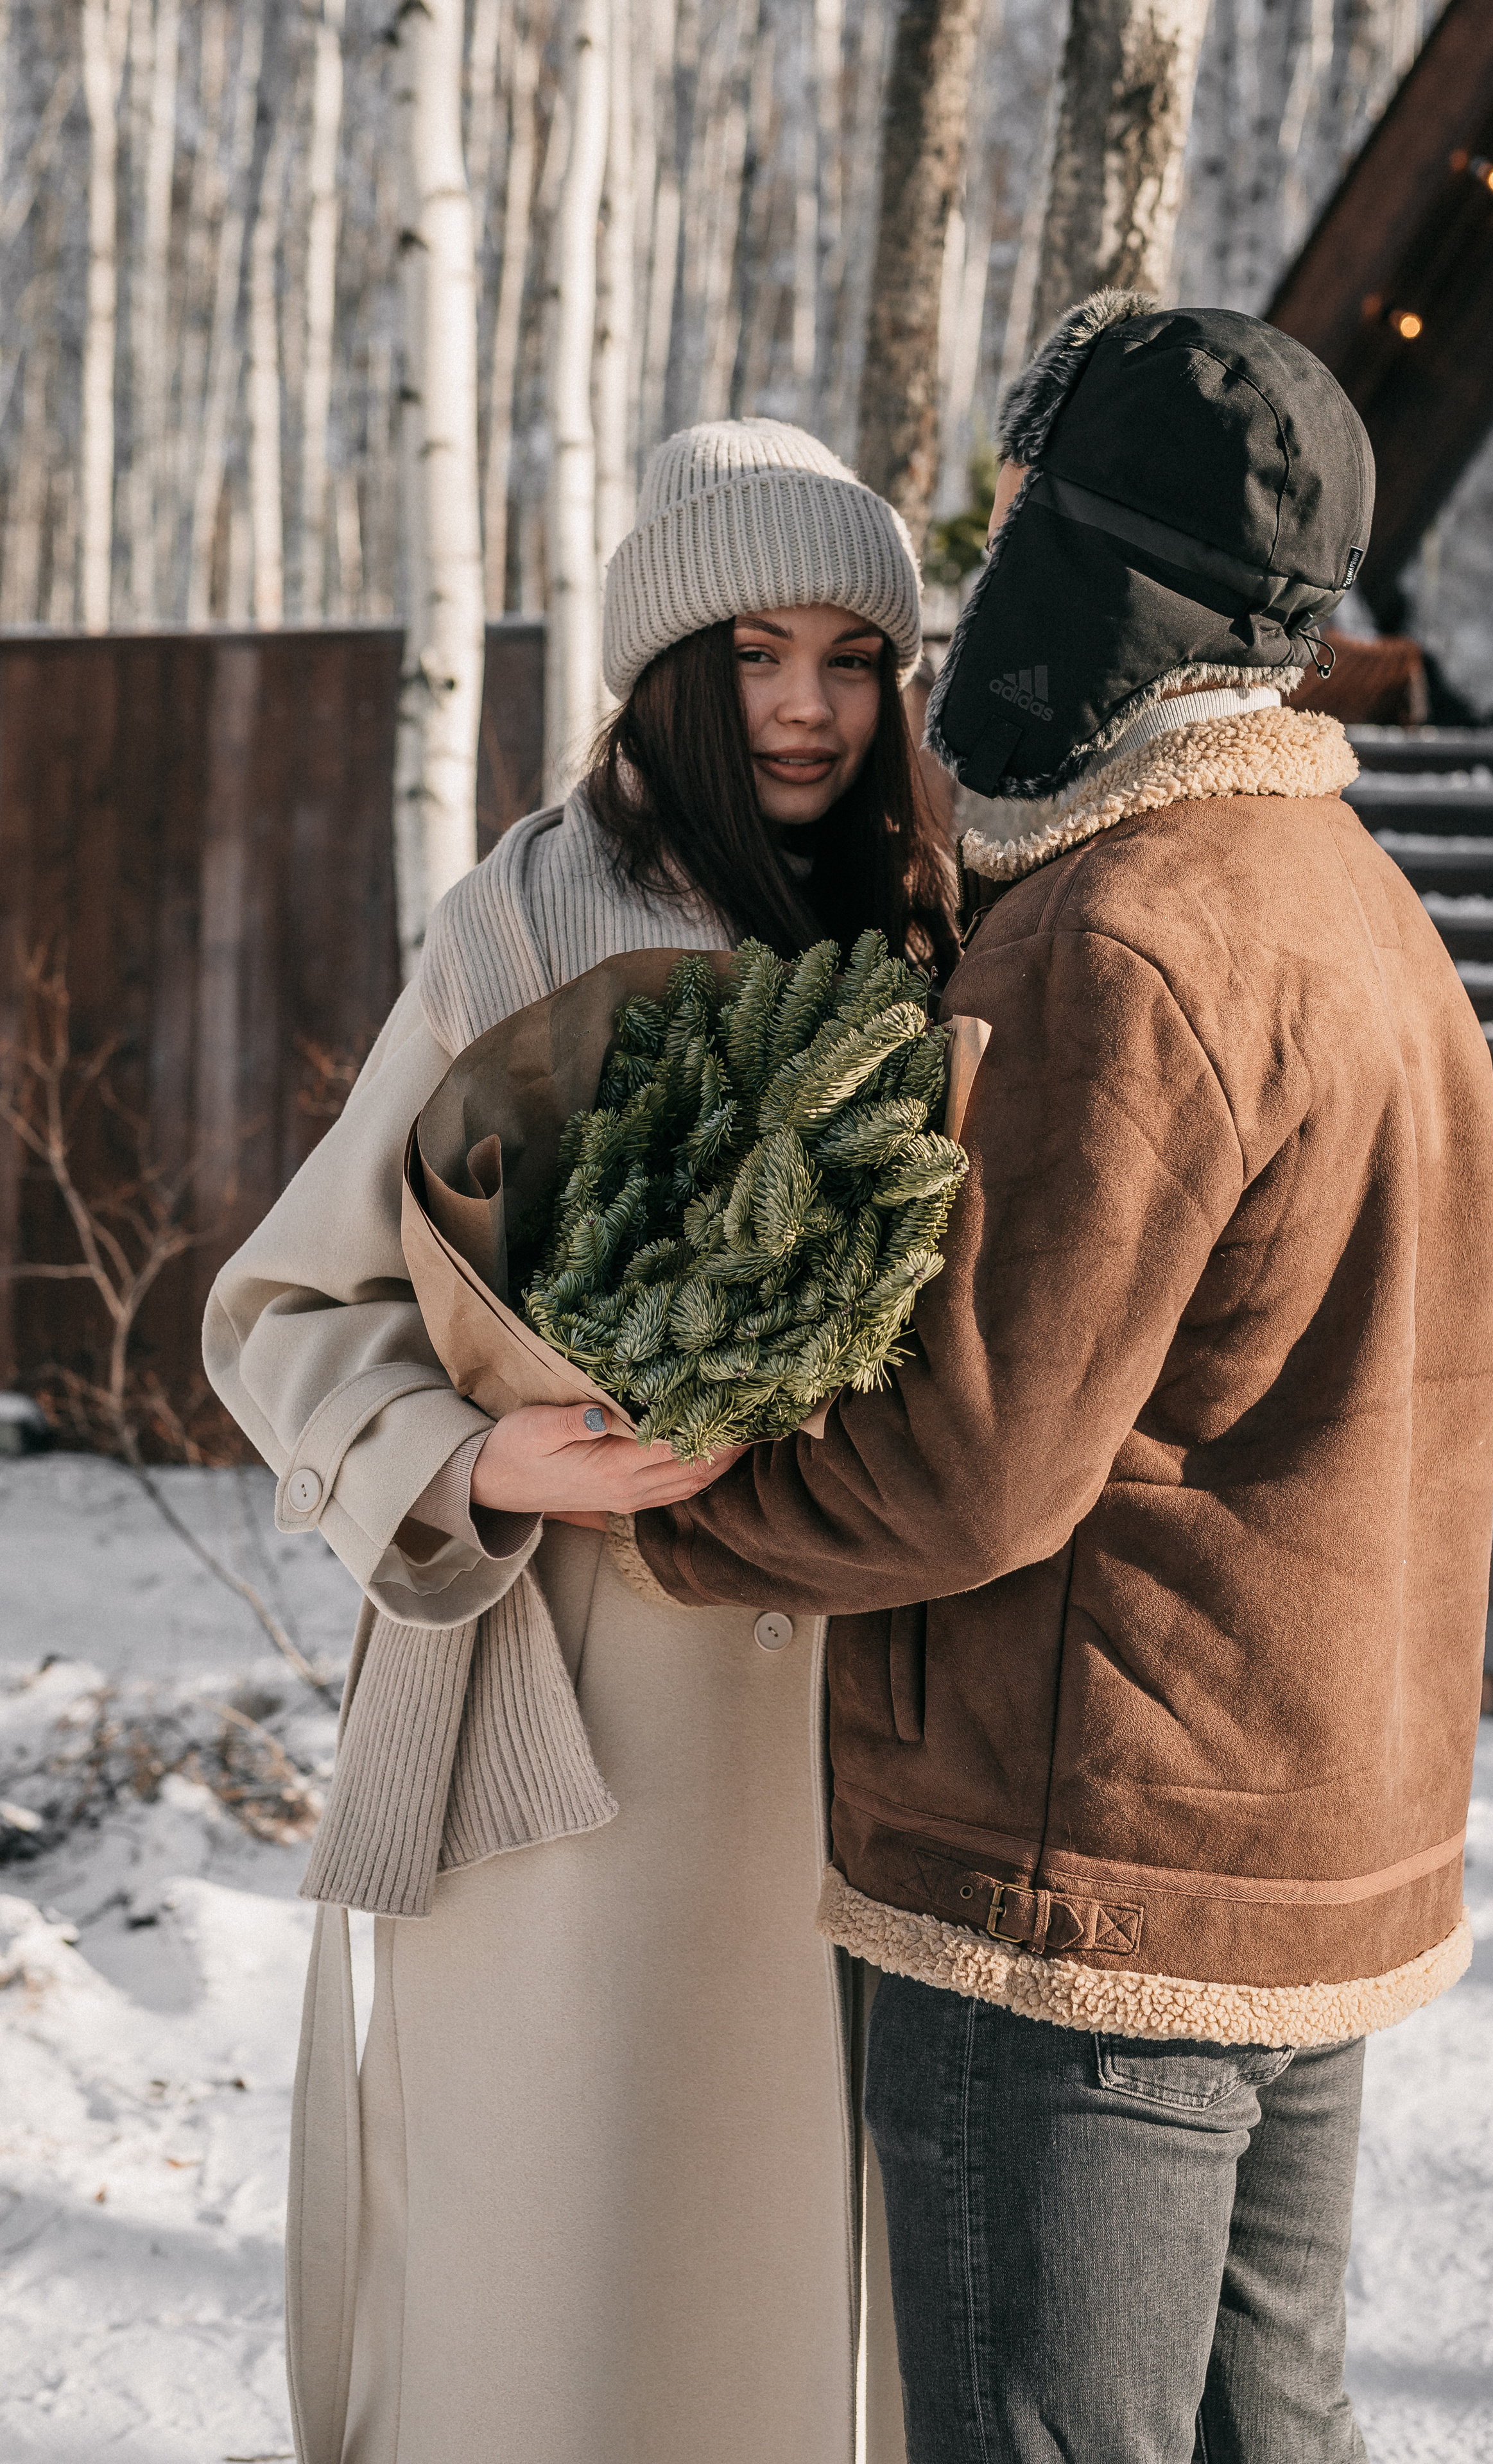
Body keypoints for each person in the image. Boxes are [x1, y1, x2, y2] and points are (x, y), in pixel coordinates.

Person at [627, 297, 1493, 2463]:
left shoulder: (1127, 934)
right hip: (1304, 1854)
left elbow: (974, 1464)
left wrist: (666, 1498)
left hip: (1075, 1882)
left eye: (1020, 523)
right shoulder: (1362, 906)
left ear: (1101, 574)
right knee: (1260, 2434)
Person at [204, 416, 955, 2464]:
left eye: (853, 656)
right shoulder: (520, 927)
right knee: (571, 2289)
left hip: (857, 1738)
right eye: (751, 652)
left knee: (799, 2301)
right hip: (587, 1730)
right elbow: (283, 1312)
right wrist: (482, 1463)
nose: (806, 706)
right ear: (662, 673)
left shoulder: (931, 929)